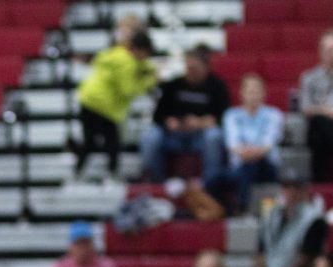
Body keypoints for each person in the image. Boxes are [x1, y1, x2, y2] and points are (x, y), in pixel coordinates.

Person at [139, 45, 230, 185]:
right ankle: (157, 182)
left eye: (195, 68)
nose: (190, 72)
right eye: (188, 68)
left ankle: (211, 183)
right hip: (174, 136)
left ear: (206, 67)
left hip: (200, 136)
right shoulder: (174, 85)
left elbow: (224, 118)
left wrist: (200, 123)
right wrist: (168, 122)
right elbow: (158, 116)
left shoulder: (217, 86)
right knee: (149, 137)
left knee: (214, 136)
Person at [73, 30, 156, 180]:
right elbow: (128, 90)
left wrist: (146, 69)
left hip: (88, 99)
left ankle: (78, 171)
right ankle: (111, 173)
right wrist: (149, 81)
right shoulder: (128, 63)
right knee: (112, 142)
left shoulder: (116, 53)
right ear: (141, 50)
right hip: (105, 106)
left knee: (90, 141)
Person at [209, 74, 283, 215]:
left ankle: (243, 208)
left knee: (252, 166)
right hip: (238, 168)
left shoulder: (274, 115)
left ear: (264, 94)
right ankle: (222, 211)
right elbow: (232, 144)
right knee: (213, 178)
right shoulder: (231, 115)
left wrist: (250, 153)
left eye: (257, 91)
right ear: (242, 93)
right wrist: (247, 153)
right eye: (250, 91)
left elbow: (267, 145)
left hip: (266, 168)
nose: (253, 95)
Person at [300, 29, 333, 184]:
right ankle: (318, 183)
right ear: (320, 51)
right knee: (319, 123)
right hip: (319, 126)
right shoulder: (309, 77)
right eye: (328, 49)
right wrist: (327, 112)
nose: (330, 53)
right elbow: (305, 107)